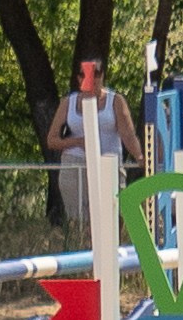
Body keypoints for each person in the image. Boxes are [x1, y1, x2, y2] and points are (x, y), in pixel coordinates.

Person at [47, 65, 138, 235]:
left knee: (114, 214)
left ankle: (112, 254)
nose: (91, 78)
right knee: (79, 221)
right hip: (75, 164)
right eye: (84, 74)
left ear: (103, 75)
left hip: (109, 163)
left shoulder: (115, 101)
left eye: (96, 73)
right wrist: (76, 142)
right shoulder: (68, 102)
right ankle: (83, 253)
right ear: (78, 78)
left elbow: (128, 135)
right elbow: (51, 140)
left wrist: (141, 156)